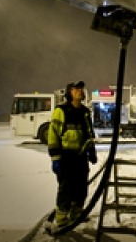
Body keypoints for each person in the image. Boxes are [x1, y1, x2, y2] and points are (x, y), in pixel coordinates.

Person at [47, 80, 97, 227]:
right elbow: (53, 135)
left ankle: (76, 214)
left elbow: (89, 134)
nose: (80, 91)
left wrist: (91, 152)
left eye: (81, 89)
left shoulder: (85, 112)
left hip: (80, 158)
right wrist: (55, 158)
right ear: (69, 93)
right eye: (76, 89)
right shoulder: (61, 110)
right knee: (66, 189)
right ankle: (62, 219)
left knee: (81, 188)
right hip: (66, 158)